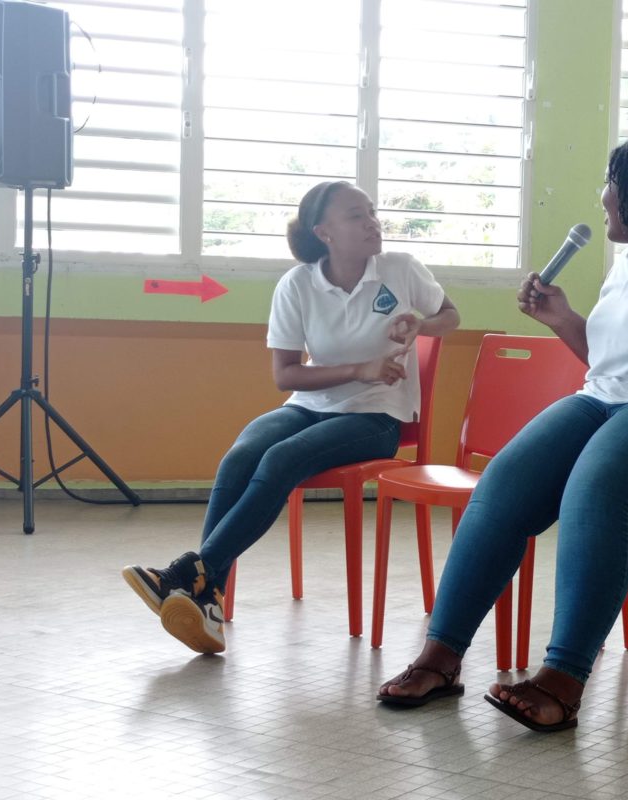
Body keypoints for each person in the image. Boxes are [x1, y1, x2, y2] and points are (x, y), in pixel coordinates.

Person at [376, 126, 628, 732]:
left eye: (612, 184)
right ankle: (440, 656)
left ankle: (563, 678)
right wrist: (561, 318)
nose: (603, 197)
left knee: (595, 489)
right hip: (605, 402)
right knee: (502, 484)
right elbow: (611, 365)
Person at [123, 181, 460, 654]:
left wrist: (424, 323)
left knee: (281, 459)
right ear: (324, 232)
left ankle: (191, 578)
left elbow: (450, 316)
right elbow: (286, 376)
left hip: (377, 416)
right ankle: (208, 596)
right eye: (356, 215)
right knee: (240, 458)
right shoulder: (297, 284)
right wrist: (359, 369)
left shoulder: (400, 268)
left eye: (371, 212)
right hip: (309, 406)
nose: (372, 223)